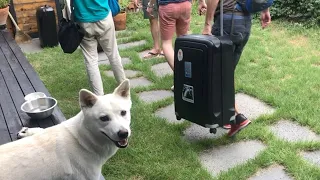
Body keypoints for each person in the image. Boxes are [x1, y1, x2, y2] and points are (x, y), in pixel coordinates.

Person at [198, 0, 271, 137]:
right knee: (226, 72)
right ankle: (227, 116)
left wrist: (207, 25)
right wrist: (265, 11)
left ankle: (236, 118)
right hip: (245, 23)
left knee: (219, 72)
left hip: (227, 22)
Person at [70, 0, 126, 96]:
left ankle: (99, 97)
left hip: (83, 20)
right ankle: (124, 89)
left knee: (91, 60)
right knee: (113, 55)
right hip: (103, 16)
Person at [147, 0, 192, 78]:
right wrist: (202, 2)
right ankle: (188, 74)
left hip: (167, 5)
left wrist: (151, 5)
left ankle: (181, 77)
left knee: (166, 43)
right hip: (185, 4)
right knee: (183, 41)